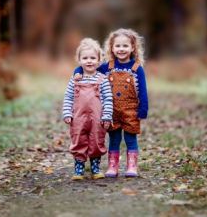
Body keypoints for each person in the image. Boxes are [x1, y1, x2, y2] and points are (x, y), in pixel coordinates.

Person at [73, 28, 148, 177]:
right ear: (112, 48)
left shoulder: (137, 68)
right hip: (111, 110)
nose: (121, 49)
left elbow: (143, 91)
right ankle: (113, 166)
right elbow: (87, 66)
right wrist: (78, 71)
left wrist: (143, 109)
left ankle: (131, 166)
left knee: (130, 138)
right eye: (118, 46)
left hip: (131, 110)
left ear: (133, 48)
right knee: (114, 138)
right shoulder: (107, 67)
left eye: (125, 46)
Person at [62, 38, 113, 180]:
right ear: (79, 60)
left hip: (97, 118)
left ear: (99, 60)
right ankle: (79, 167)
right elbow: (68, 97)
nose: (89, 61)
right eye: (85, 58)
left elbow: (108, 99)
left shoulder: (103, 79)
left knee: (97, 140)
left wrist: (107, 116)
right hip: (78, 117)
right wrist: (67, 112)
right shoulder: (75, 79)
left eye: (92, 58)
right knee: (78, 139)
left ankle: (95, 166)